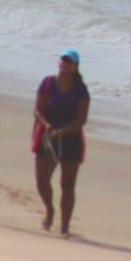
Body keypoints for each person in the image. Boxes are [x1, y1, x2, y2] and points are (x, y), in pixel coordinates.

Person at [31, 48, 90, 237]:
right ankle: (49, 209)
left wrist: (63, 132)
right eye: (63, 61)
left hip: (71, 138)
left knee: (67, 184)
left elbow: (81, 120)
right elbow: (37, 111)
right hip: (47, 136)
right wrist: (48, 127)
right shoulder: (48, 83)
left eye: (69, 62)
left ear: (75, 66)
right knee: (42, 180)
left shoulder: (81, 90)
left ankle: (64, 226)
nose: (65, 64)